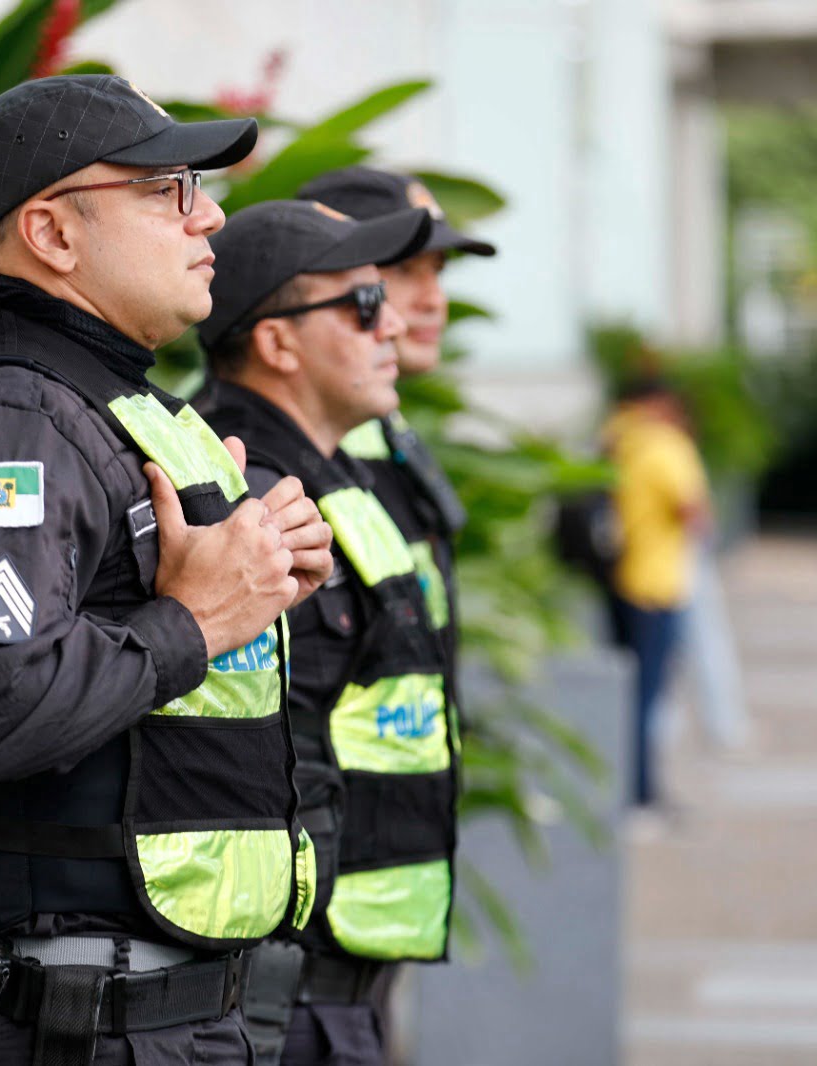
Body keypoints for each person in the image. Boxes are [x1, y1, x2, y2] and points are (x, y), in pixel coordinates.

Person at [0, 75, 335, 1065]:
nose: (208, 214)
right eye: (167, 188)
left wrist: (261, 575)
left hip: (159, 1013)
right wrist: (197, 618)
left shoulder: (105, 405)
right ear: (53, 234)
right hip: (71, 1023)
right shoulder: (6, 424)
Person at [191, 198, 457, 1066]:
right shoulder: (248, 501)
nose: (395, 325)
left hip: (336, 985)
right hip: (277, 996)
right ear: (277, 342)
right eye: (364, 303)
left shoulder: (338, 481)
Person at [297, 166, 496, 734]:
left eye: (439, 270)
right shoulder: (271, 446)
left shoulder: (381, 425)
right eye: (405, 269)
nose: (434, 301)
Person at [602, 377, 709, 812]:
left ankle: (631, 781)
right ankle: (642, 789)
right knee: (649, 694)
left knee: (631, 691)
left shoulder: (616, 437)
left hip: (620, 575)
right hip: (658, 582)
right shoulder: (666, 445)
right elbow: (692, 510)